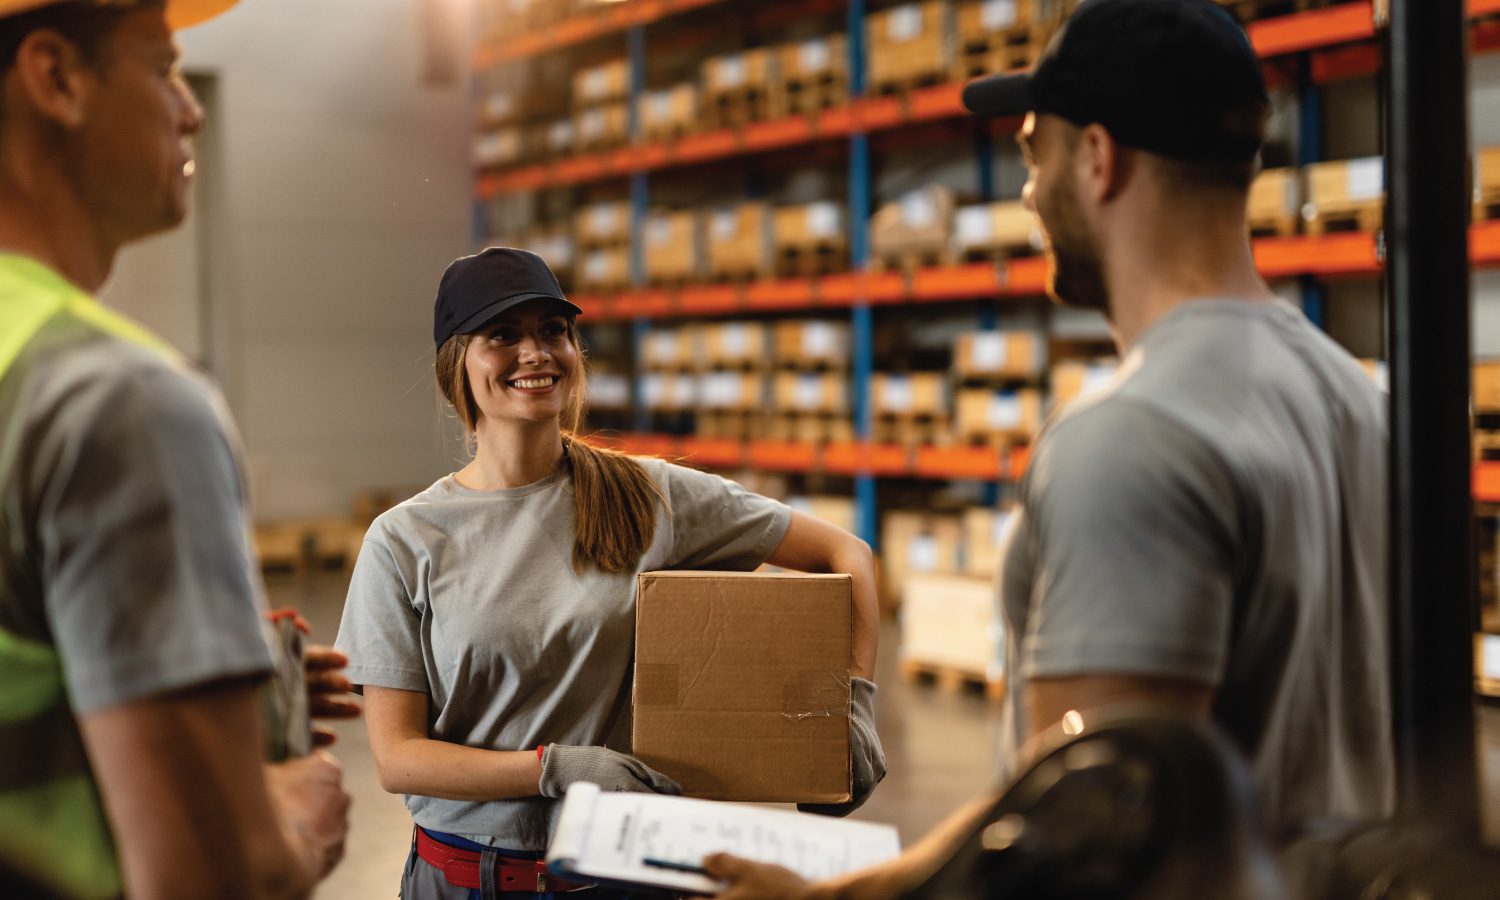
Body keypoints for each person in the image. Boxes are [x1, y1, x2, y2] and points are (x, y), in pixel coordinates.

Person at [708, 0, 1392, 895]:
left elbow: (1086, 838)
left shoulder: (1131, 437)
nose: (1026, 192)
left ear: (1099, 160)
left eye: (1034, 153)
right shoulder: (1362, 401)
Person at [334, 246, 886, 899]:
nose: (536, 352)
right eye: (504, 335)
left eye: (553, 331)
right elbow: (399, 760)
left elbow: (846, 554)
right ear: (458, 363)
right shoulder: (405, 540)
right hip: (465, 881)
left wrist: (850, 706)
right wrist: (554, 769)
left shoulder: (645, 496)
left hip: (628, 874)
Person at [0, 1, 353, 898]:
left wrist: (204, 702)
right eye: (162, 69)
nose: (189, 108)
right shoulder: (115, 401)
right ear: (56, 78)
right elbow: (211, 878)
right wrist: (294, 820)